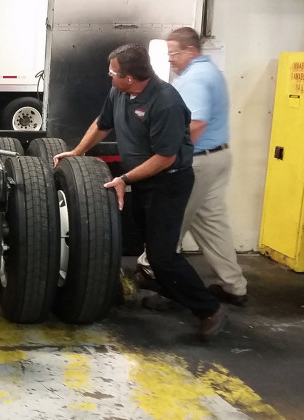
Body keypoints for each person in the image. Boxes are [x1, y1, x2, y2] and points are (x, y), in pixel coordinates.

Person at [53, 43, 225, 340]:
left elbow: (165, 157)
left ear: (129, 77)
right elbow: (102, 123)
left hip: (168, 183)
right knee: (143, 246)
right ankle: (173, 292)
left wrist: (126, 179)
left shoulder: (165, 102)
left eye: (113, 73)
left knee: (161, 256)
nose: (110, 77)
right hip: (143, 180)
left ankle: (209, 309)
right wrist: (77, 152)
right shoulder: (119, 92)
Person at [136, 27, 248, 307]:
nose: (170, 59)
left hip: (196, 162)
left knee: (170, 224)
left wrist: (170, 157)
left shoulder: (196, 78)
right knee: (212, 222)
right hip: (218, 157)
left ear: (190, 50)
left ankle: (165, 283)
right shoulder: (211, 73)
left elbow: (195, 125)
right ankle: (234, 285)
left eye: (173, 52)